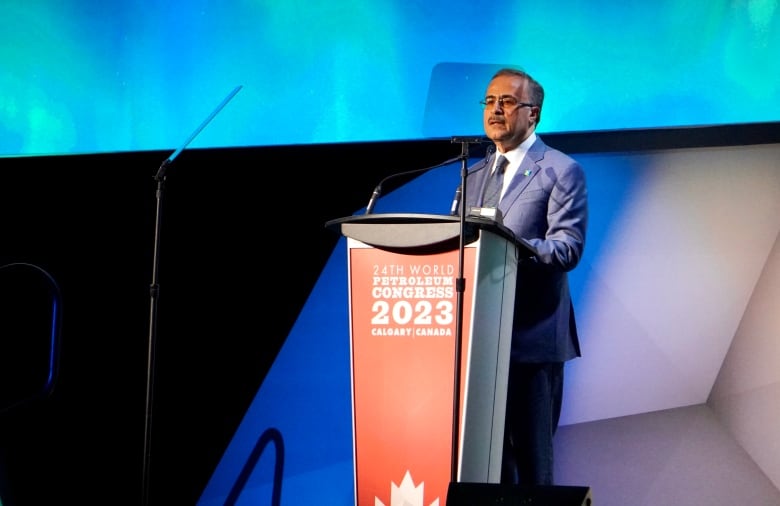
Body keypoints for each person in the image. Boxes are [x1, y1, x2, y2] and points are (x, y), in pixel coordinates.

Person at [457, 67, 588, 486]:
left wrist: (510, 246)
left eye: (508, 101)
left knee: (533, 470)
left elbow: (567, 247)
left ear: (533, 114)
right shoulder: (472, 175)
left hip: (531, 342)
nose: (496, 109)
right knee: (486, 468)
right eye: (490, 101)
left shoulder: (561, 170)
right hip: (478, 345)